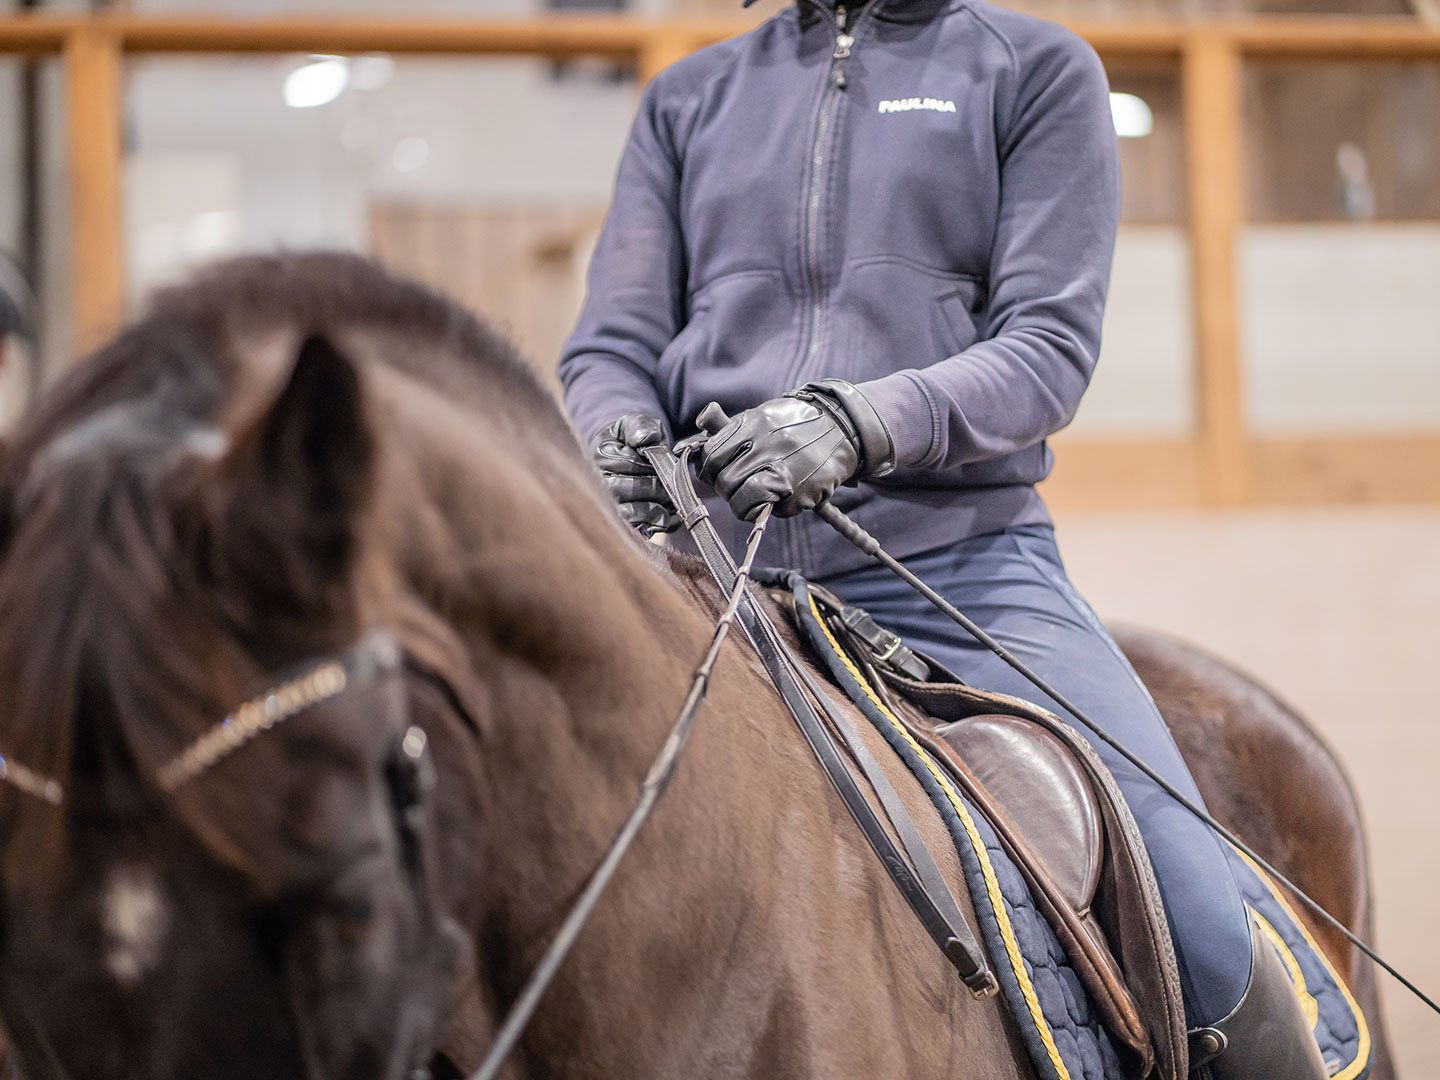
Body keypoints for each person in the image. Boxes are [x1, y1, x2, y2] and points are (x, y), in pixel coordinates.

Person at [558, 1, 1326, 1075]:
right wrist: (611, 433)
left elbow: (1048, 348)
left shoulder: (1035, 69)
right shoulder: (690, 97)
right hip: (710, 574)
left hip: (955, 568)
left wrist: (855, 423)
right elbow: (611, 342)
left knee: (1193, 907)